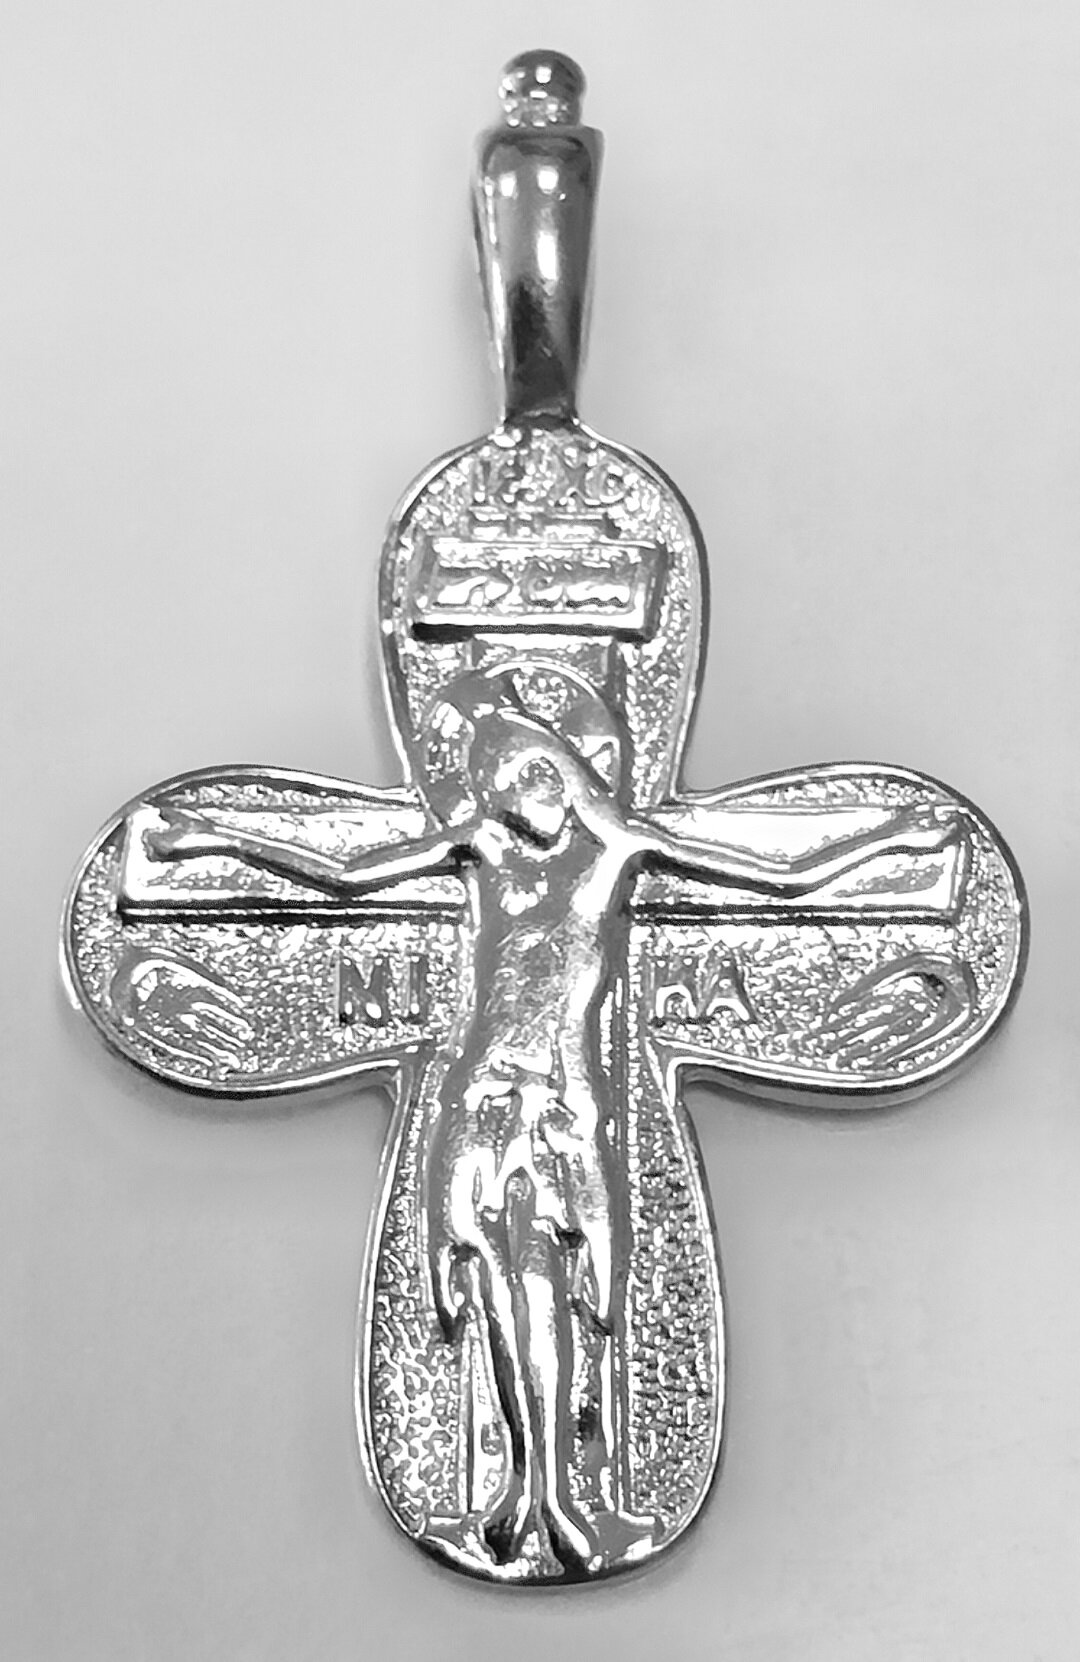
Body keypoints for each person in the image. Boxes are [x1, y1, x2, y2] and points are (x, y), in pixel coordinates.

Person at [146, 663, 959, 1571]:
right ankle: (516, 1496)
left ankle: (564, 1501)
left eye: (534, 772)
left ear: (567, 773)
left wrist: (895, 838)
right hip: (481, 1100)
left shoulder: (617, 851)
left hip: (567, 1108)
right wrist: (210, 837)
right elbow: (342, 875)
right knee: (491, 1291)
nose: (519, 792)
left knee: (566, 1292)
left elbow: (782, 879)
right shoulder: (480, 850)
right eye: (500, 781)